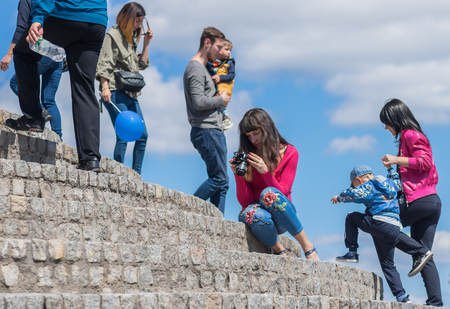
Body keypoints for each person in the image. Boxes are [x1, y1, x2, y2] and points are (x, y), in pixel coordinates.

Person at [5, 0, 108, 172]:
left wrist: (38, 18)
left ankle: (33, 117)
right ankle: (90, 158)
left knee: (23, 53)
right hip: (96, 20)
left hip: (65, 14)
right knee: (84, 86)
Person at [231, 108, 319, 260]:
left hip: (282, 216)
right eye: (249, 136)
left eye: (256, 133)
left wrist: (265, 172)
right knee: (252, 212)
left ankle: (307, 247)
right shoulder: (248, 156)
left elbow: (282, 192)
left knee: (269, 194)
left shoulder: (290, 153)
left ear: (267, 128)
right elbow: (246, 202)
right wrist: (238, 175)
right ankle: (279, 250)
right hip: (259, 217)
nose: (253, 140)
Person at [380, 98, 442, 307]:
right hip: (430, 202)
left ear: (395, 118)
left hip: (420, 199)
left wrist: (396, 160)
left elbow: (425, 162)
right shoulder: (409, 136)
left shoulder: (410, 134)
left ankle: (400, 293)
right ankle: (436, 303)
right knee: (423, 255)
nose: (386, 127)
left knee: (382, 224)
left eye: (386, 122)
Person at [331, 164, 411, 303]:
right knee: (387, 263)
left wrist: (339, 197)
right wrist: (390, 170)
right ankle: (402, 296)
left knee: (351, 217)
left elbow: (355, 194)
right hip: (394, 228)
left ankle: (352, 252)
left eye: (354, 184)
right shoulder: (390, 183)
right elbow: (398, 184)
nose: (355, 187)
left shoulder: (369, 185)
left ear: (358, 180)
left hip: (380, 223)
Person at [96, 2, 152, 175]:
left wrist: (146, 43)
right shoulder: (112, 35)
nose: (139, 26)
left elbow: (141, 64)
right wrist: (104, 87)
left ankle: (136, 175)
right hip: (113, 92)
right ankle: (118, 174)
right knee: (123, 134)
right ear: (128, 18)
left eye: (142, 22)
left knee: (142, 135)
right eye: (137, 21)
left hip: (131, 94)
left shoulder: (130, 40)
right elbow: (104, 63)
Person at [183, 27, 231, 213]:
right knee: (219, 179)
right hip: (206, 130)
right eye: (218, 47)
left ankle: (217, 224)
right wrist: (221, 100)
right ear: (207, 42)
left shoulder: (203, 68)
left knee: (223, 183)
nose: (220, 52)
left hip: (213, 130)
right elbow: (198, 102)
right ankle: (186, 210)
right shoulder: (195, 68)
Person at [1, 0, 63, 139]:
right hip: (56, 53)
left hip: (41, 51)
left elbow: (21, 27)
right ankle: (59, 137)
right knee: (50, 100)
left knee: (14, 82)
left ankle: (38, 111)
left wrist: (9, 54)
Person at [206, 39, 235, 130]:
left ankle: (226, 118)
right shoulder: (218, 62)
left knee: (221, 104)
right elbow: (209, 66)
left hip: (225, 89)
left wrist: (220, 78)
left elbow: (231, 75)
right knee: (217, 105)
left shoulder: (229, 62)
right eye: (226, 50)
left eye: (230, 50)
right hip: (217, 89)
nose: (229, 52)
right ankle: (221, 119)